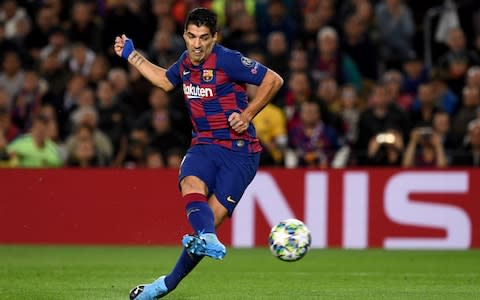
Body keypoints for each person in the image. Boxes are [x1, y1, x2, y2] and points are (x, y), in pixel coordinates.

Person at [113, 8, 283, 299]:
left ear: (214, 38)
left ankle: (168, 282)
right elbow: (164, 81)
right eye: (191, 36)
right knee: (191, 185)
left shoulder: (228, 60)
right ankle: (198, 246)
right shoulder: (185, 62)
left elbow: (274, 80)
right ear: (184, 36)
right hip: (204, 144)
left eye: (204, 38)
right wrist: (131, 54)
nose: (197, 44)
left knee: (210, 222)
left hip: (240, 153)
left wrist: (248, 114)